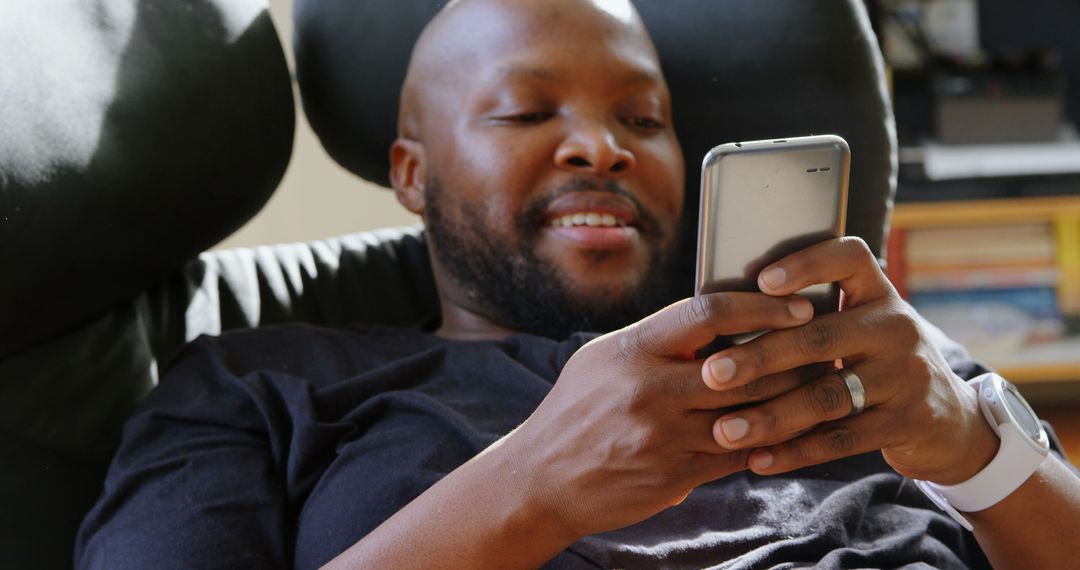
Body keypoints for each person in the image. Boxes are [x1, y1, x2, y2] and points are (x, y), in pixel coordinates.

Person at [76, 0, 1080, 568]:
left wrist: (975, 448)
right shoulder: (257, 388)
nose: (600, 148)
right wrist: (531, 488)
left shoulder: (852, 350)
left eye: (643, 121)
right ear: (412, 174)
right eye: (524, 113)